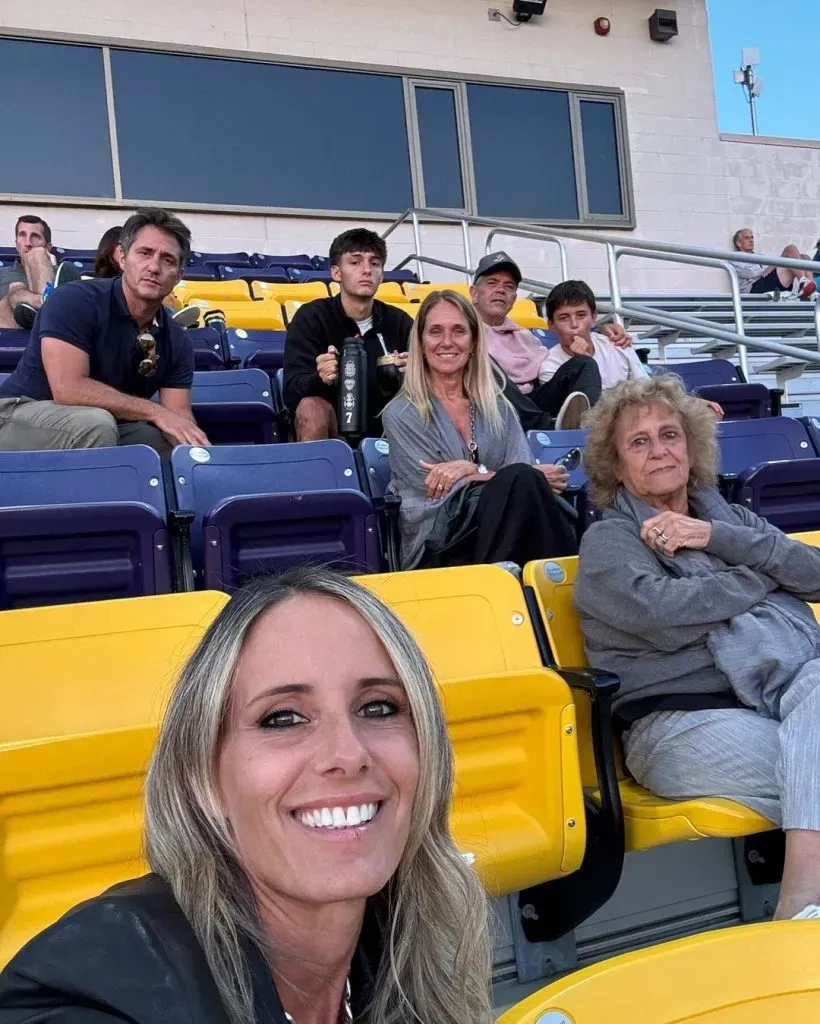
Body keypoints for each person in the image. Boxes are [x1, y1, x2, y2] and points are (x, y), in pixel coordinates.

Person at [0, 567, 494, 1024]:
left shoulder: (408, 947)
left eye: (379, 707)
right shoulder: (92, 995)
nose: (348, 754)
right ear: (203, 776)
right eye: (283, 718)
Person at [575, 374, 820, 921]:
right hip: (677, 726)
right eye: (639, 442)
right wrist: (760, 573)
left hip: (784, 704)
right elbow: (663, 614)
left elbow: (814, 574)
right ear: (616, 466)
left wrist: (717, 539)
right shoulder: (610, 541)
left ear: (692, 446)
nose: (659, 450)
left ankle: (801, 912)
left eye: (670, 435)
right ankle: (801, 906)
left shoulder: (726, 520)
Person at [382, 290, 578, 570]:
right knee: (526, 483)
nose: (447, 341)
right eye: (435, 331)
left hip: (505, 532)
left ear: (473, 341)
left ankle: (519, 576)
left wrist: (471, 471)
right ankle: (564, 578)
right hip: (439, 543)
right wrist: (489, 474)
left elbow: (521, 477)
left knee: (526, 487)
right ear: (421, 343)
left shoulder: (498, 408)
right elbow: (438, 492)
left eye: (458, 331)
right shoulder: (401, 413)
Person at [0, 208, 208, 458]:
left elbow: (178, 415)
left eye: (168, 260)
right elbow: (68, 389)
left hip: (102, 422)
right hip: (17, 413)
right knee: (96, 425)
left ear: (179, 275)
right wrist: (155, 411)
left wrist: (198, 453)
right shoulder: (75, 300)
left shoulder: (177, 339)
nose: (154, 267)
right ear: (122, 257)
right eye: (144, 253)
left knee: (164, 445)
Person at [283, 229, 412, 441]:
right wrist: (320, 379)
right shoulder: (312, 317)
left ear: (382, 275)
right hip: (334, 433)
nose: (367, 270)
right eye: (355, 262)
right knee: (311, 407)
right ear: (336, 273)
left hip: (391, 429)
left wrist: (413, 373)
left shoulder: (400, 322)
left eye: (375, 263)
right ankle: (318, 462)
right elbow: (291, 392)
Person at [470, 252, 621, 430]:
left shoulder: (525, 336)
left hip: (534, 403)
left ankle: (586, 425)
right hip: (493, 407)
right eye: (492, 283)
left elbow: (568, 337)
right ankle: (548, 427)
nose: (501, 290)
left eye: (509, 286)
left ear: (514, 299)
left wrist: (601, 329)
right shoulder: (463, 333)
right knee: (482, 361)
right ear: (474, 293)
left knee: (584, 363)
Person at [0, 215, 61, 330]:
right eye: (22, 235)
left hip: (50, 330)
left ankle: (42, 304)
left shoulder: (62, 275)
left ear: (48, 247)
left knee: (37, 253)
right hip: (7, 327)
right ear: (16, 243)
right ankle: (43, 301)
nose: (28, 243)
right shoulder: (2, 274)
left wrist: (49, 264)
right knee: (15, 288)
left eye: (35, 236)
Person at [732, 228, 816, 300]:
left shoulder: (759, 255)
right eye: (747, 238)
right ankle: (803, 282)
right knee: (790, 249)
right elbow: (751, 273)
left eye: (752, 237)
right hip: (754, 288)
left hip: (767, 282)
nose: (751, 240)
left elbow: (767, 269)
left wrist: (772, 266)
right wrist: (771, 267)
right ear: (738, 243)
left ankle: (811, 290)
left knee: (804, 257)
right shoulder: (736, 257)